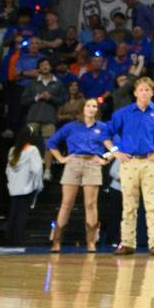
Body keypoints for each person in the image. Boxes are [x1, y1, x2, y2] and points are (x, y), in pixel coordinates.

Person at [104, 76, 154, 255]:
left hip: (150, 162)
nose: (144, 93)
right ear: (135, 92)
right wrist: (115, 151)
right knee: (129, 204)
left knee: (152, 205)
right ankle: (128, 243)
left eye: (147, 90)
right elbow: (106, 132)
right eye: (141, 90)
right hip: (129, 162)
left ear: (152, 92)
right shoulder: (124, 113)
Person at [46, 98, 109, 252]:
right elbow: (51, 143)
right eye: (88, 106)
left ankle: (91, 242)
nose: (91, 108)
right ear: (82, 108)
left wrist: (106, 159)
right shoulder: (71, 127)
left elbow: (117, 145)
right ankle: (56, 241)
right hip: (73, 163)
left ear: (97, 110)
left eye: (94, 106)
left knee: (91, 204)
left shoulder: (103, 127)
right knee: (66, 203)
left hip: (93, 164)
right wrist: (61, 159)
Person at [4, 128, 43, 246]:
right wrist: (38, 185)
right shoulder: (33, 150)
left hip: (14, 188)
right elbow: (36, 170)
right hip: (27, 187)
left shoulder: (12, 150)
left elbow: (8, 171)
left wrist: (11, 184)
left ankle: (9, 239)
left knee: (14, 214)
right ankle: (17, 240)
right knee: (22, 215)